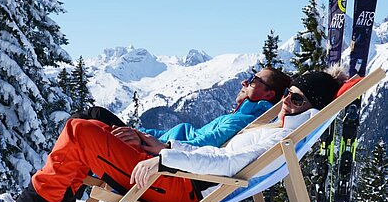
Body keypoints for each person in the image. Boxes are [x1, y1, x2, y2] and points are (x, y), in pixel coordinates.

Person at [0, 68, 346, 202]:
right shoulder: (278, 126)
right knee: (87, 128)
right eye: (289, 95)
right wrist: (164, 152)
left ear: (313, 107)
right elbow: (218, 154)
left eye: (296, 99)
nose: (287, 102)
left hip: (178, 185)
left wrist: (164, 158)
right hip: (180, 175)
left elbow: (227, 165)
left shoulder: (278, 136)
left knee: (80, 132)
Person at [73, 67, 292, 150]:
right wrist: (142, 133)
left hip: (157, 157)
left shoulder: (240, 121)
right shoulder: (242, 116)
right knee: (90, 118)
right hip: (156, 147)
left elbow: (199, 147)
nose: (245, 82)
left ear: (269, 94)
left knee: (85, 124)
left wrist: (146, 141)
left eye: (253, 80)